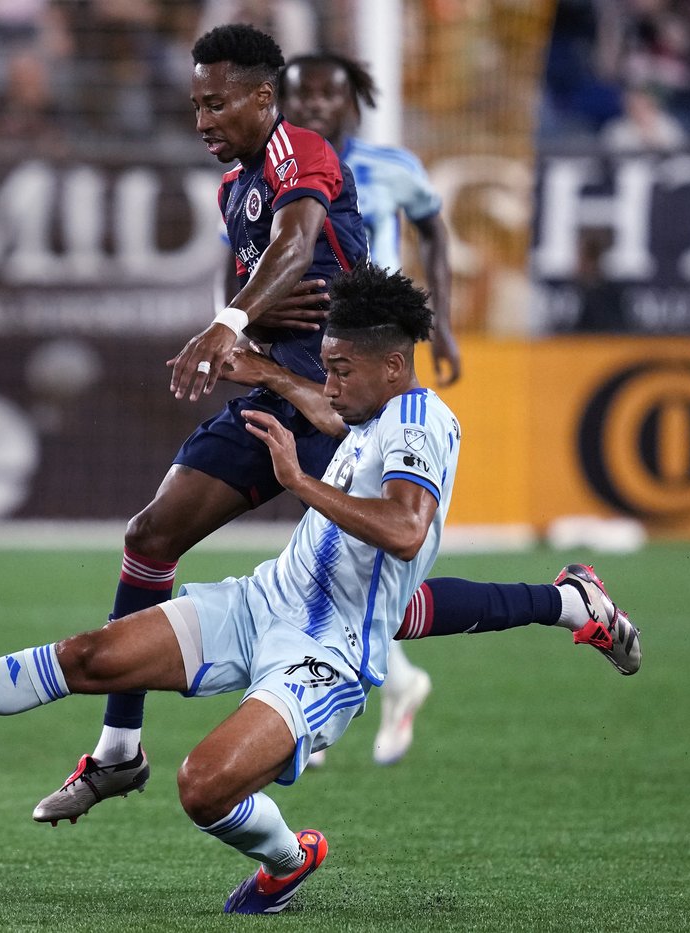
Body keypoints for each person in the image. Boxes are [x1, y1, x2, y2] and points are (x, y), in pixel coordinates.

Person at [34, 23, 642, 824]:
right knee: (151, 536)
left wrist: (230, 319)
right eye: (194, 105)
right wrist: (241, 323)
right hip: (274, 392)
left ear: (262, 96)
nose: (202, 121)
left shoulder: (308, 154)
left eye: (215, 104)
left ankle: (564, 601)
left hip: (344, 401)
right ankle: (118, 750)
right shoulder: (231, 190)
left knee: (374, 597)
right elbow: (254, 279)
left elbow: (295, 244)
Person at [0, 262, 460, 915]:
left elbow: (407, 530)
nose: (330, 382)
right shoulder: (365, 406)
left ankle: (289, 860)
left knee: (203, 787)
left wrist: (298, 481)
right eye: (326, 365)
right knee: (89, 655)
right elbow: (326, 411)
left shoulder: (420, 422)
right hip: (262, 601)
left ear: (393, 366)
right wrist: (269, 372)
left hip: (328, 652)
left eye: (341, 369)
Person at [279, 50, 462, 767]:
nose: (316, 107)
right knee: (330, 519)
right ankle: (373, 679)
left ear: (355, 99)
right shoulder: (283, 173)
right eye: (302, 97)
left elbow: (436, 228)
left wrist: (440, 321)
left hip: (375, 364)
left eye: (329, 94)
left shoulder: (392, 165)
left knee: (345, 512)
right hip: (314, 355)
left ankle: (319, 685)